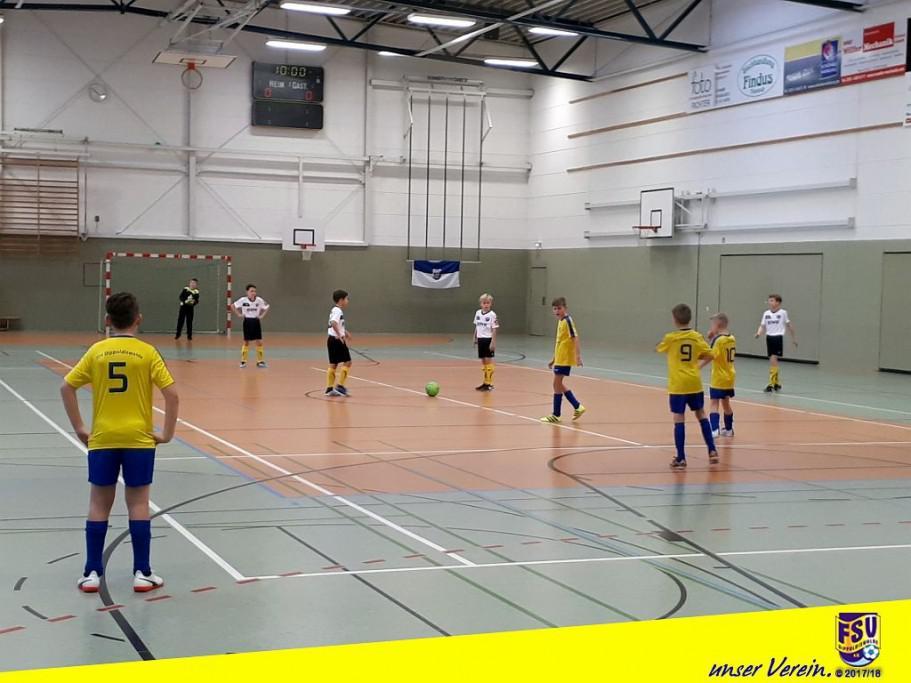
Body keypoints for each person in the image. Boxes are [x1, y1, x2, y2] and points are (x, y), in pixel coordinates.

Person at [60, 292, 179, 593]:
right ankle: (142, 572)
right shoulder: (147, 352)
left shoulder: (96, 351)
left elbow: (66, 387)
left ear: (107, 320)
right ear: (139, 319)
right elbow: (172, 395)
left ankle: (91, 572)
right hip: (139, 439)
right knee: (138, 503)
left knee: (99, 503)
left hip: (103, 439)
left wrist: (79, 428)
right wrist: (166, 433)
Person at [656, 303, 718, 470]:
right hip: (694, 382)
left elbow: (659, 348)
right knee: (701, 414)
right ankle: (712, 450)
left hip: (678, 385)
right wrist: (698, 365)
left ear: (674, 319)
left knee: (679, 418)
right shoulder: (696, 337)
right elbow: (711, 354)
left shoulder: (671, 338)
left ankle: (681, 457)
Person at [540, 297, 585, 423]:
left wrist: (577, 356)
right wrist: (554, 359)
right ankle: (576, 406)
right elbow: (560, 342)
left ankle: (558, 414)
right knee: (558, 384)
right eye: (554, 309)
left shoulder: (567, 321)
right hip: (560, 358)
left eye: (559, 308)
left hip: (565, 358)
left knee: (556, 384)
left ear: (565, 308)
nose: (557, 311)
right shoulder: (560, 321)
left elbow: (575, 338)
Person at [702, 312, 736, 438]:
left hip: (719, 377)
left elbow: (711, 355)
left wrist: (698, 366)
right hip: (730, 376)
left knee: (714, 402)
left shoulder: (718, 340)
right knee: (726, 402)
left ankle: (714, 429)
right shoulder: (731, 338)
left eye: (712, 324)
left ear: (718, 325)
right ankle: (729, 429)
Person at [755, 294, 798, 392]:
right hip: (769, 337)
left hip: (777, 337)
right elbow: (762, 325)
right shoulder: (766, 313)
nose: (769, 302)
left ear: (778, 302)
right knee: (773, 360)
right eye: (769, 300)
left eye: (772, 300)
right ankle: (776, 383)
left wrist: (794, 338)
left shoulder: (783, 313)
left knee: (773, 359)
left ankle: (771, 383)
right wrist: (758, 333)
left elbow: (789, 325)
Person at [233, 284, 270, 368]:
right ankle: (243, 361)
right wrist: (239, 314)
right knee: (246, 342)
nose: (253, 293)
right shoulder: (243, 300)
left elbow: (267, 306)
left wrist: (262, 316)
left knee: (259, 341)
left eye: (254, 291)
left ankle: (260, 361)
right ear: (247, 292)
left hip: (256, 321)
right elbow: (233, 306)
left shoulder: (259, 300)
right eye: (251, 291)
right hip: (247, 321)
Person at [326, 289, 353, 397]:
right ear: (341, 300)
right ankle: (340, 387)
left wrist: (345, 332)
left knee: (333, 364)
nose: (347, 301)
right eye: (346, 299)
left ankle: (329, 388)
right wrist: (340, 335)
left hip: (331, 339)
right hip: (336, 340)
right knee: (348, 362)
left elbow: (336, 324)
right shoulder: (338, 311)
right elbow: (333, 323)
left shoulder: (334, 310)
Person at [473, 293, 499, 391]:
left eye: (488, 303)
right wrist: (475, 337)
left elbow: (494, 329)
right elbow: (477, 326)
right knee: (483, 361)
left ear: (491, 303)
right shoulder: (478, 313)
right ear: (481, 304)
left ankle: (489, 383)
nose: (486, 305)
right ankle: (485, 382)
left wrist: (493, 342)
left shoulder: (492, 315)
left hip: (488, 339)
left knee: (488, 361)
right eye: (484, 303)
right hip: (480, 339)